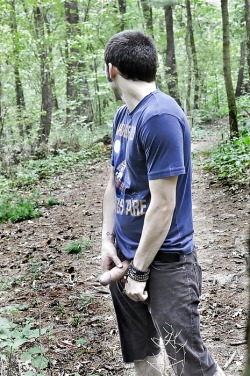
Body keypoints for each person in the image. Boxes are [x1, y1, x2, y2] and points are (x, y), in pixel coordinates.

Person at [101, 29, 225, 376]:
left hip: (166, 263)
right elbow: (115, 180)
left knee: (190, 363)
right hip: (126, 258)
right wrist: (107, 240)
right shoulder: (125, 115)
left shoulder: (160, 116)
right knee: (144, 355)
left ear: (112, 69)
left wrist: (140, 271)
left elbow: (163, 205)